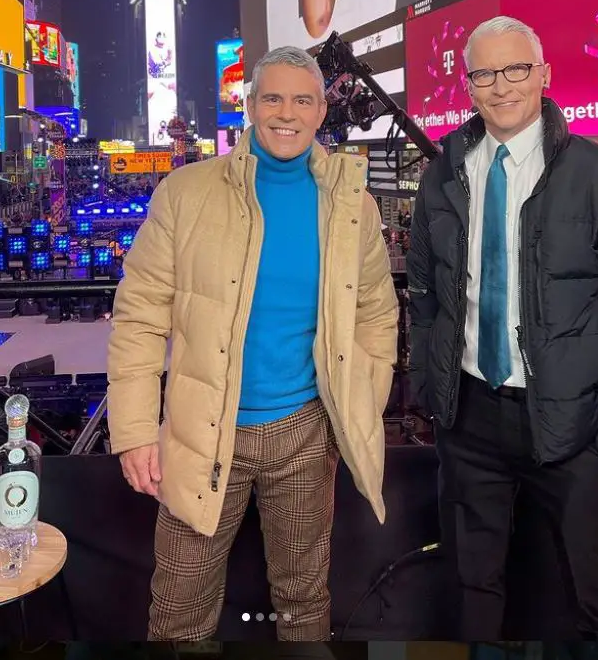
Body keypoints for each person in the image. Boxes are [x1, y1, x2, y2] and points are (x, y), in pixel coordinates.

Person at [107, 45, 398, 642]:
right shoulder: (185, 193)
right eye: (272, 98)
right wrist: (135, 430)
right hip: (202, 429)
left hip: (304, 432)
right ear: (250, 106)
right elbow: (139, 317)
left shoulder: (352, 204)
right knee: (180, 606)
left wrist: (353, 407)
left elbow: (375, 312)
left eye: (302, 99)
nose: (286, 113)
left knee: (303, 603)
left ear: (321, 111)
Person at [407, 15, 598, 640]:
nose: (501, 86)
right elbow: (426, 296)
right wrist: (434, 395)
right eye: (484, 73)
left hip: (577, 427)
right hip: (470, 421)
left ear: (544, 74)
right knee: (473, 594)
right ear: (468, 85)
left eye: (516, 69)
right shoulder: (444, 174)